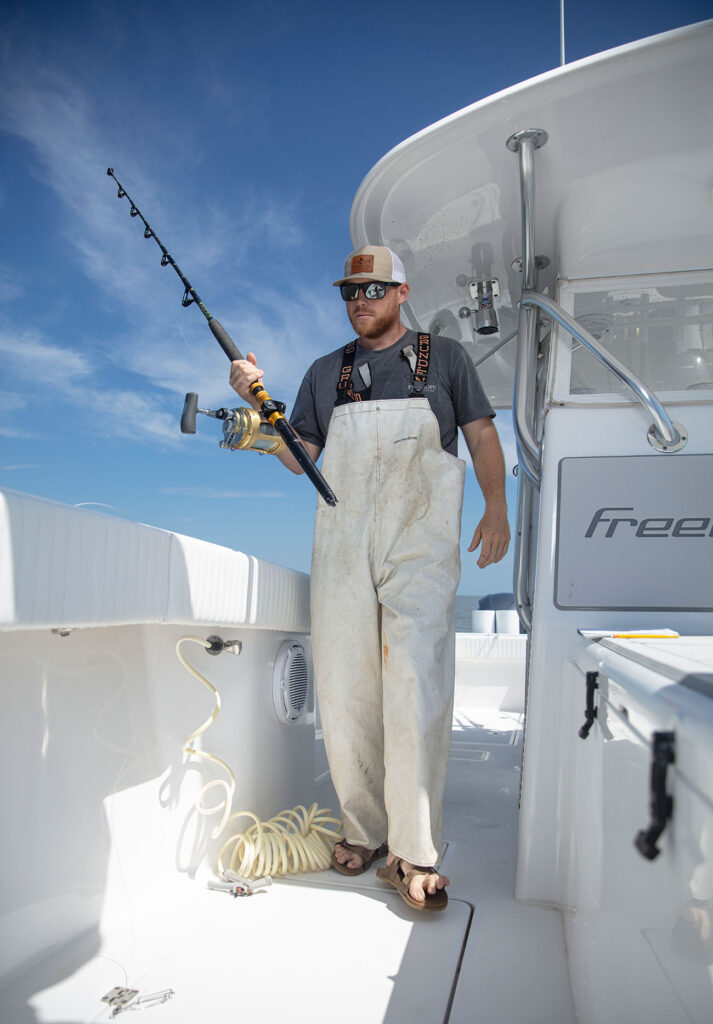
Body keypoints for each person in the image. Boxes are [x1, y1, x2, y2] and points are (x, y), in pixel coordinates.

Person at [229, 245, 510, 911]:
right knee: (346, 684)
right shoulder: (325, 372)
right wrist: (257, 406)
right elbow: (302, 462)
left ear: (400, 291)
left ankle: (413, 850)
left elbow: (481, 435)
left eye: (375, 288)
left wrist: (496, 506)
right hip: (341, 541)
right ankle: (363, 828)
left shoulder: (443, 358)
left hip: (420, 540)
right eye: (350, 291)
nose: (361, 300)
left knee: (415, 682)